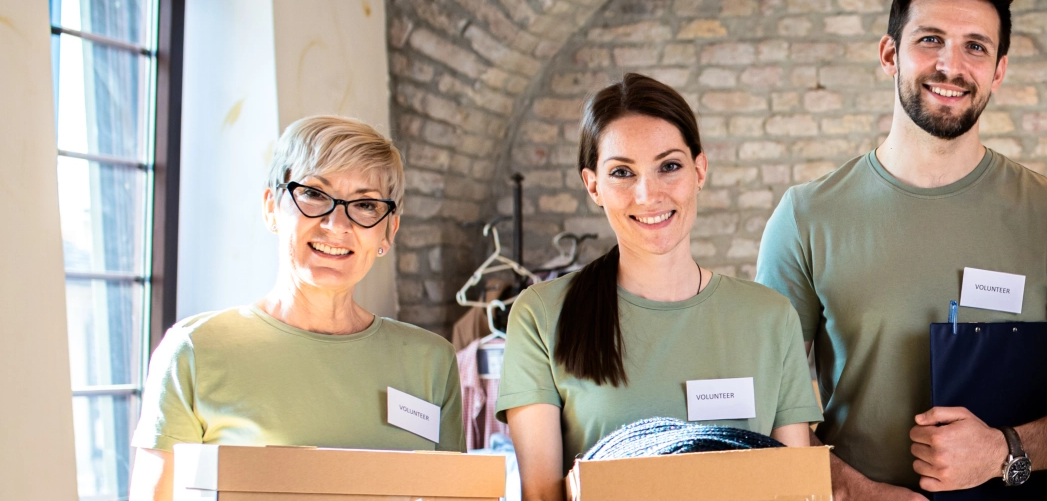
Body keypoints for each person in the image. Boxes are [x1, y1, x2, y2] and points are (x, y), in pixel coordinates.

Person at [756, 0, 1047, 498]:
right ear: (890, 54)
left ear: (999, 70)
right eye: (930, 39)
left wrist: (1007, 450)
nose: (950, 66)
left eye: (976, 46)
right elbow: (764, 408)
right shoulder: (805, 217)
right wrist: (853, 491)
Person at [499, 73, 820, 501]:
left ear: (699, 170)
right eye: (622, 172)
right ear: (593, 185)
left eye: (669, 166)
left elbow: (795, 490)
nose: (648, 194)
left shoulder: (770, 317)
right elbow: (542, 496)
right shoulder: (540, 314)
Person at [129, 116, 460, 501]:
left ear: (388, 231)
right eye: (315, 194)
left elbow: (455, 494)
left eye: (366, 204)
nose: (337, 224)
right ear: (272, 207)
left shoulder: (431, 361)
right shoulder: (195, 351)